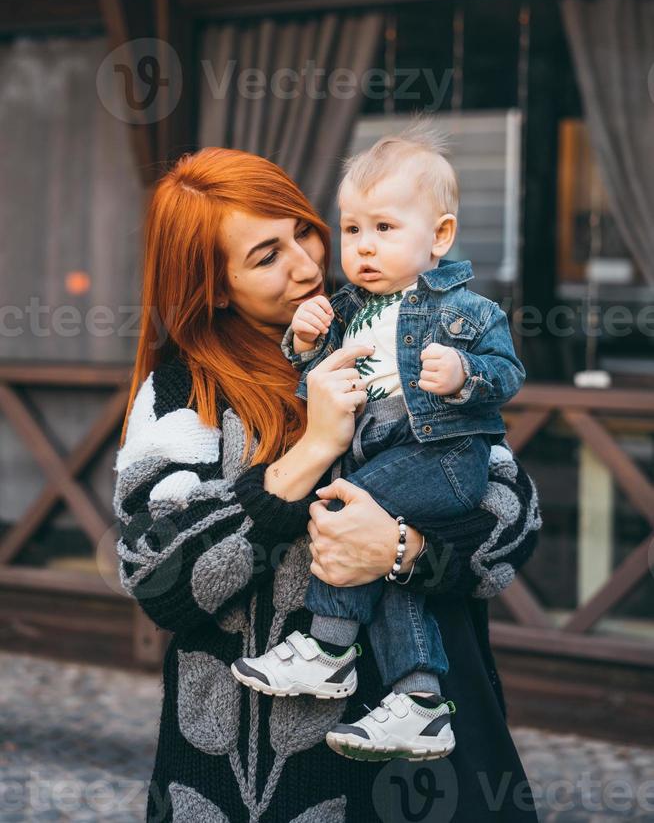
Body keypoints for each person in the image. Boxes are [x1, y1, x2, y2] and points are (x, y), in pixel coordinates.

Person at [113, 146, 540, 822]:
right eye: (266, 256)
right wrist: (310, 452)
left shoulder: (399, 328)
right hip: (253, 781)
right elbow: (158, 576)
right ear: (215, 285)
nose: (310, 264)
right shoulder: (183, 396)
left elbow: (514, 515)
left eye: (304, 229)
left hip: (426, 772)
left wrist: (402, 548)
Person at [231, 124, 526, 763]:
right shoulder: (343, 309)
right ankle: (419, 701)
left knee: (344, 506)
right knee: (388, 566)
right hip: (394, 457)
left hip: (443, 459)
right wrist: (305, 347)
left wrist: (464, 376)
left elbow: (508, 374)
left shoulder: (466, 310)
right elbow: (319, 395)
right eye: (354, 229)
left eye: (385, 229)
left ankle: (328, 645)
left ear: (439, 237)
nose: (363, 248)